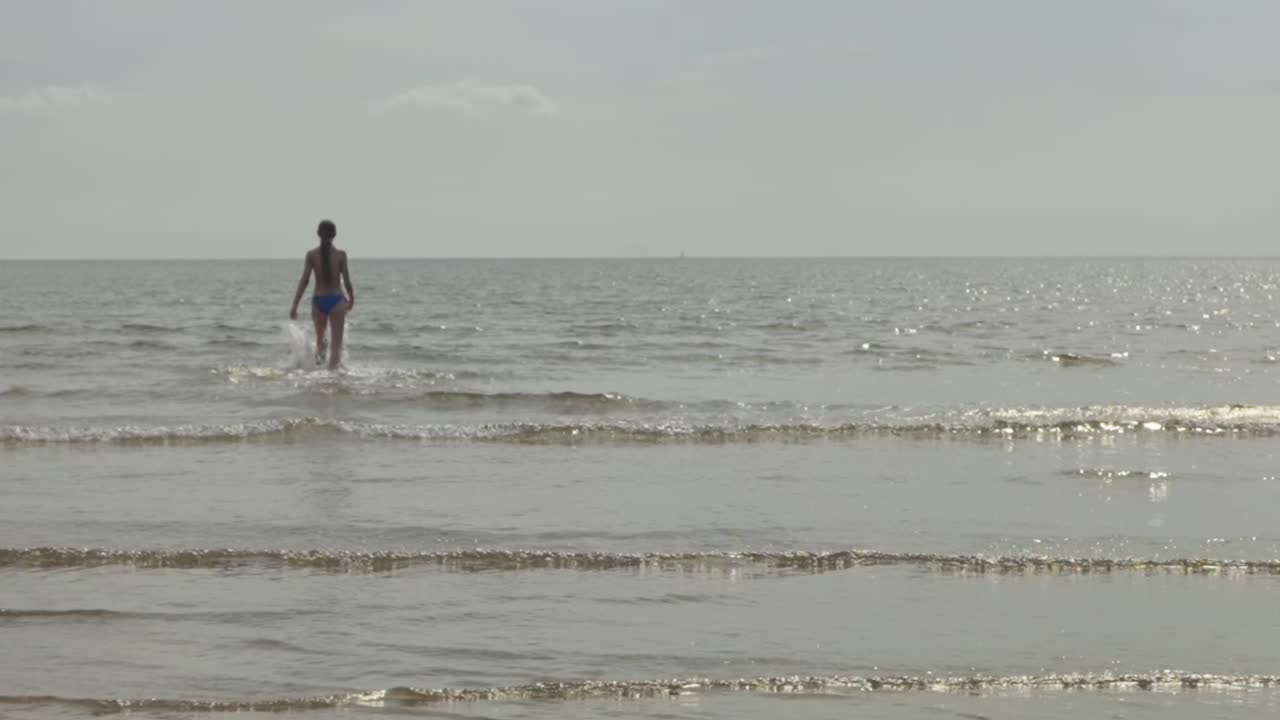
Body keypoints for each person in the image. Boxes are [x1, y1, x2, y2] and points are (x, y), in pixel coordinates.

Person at [289, 219, 355, 369]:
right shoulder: (340, 255)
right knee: (336, 346)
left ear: (318, 234)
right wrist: (352, 299)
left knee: (321, 342)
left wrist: (295, 306)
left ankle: (318, 376)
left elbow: (304, 281)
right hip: (337, 301)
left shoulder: (311, 255)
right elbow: (347, 281)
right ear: (335, 235)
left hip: (318, 301)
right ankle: (331, 379)